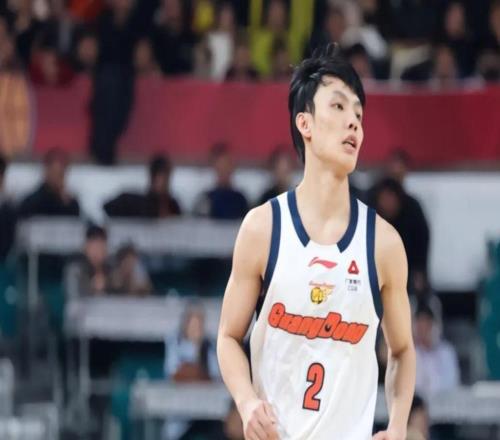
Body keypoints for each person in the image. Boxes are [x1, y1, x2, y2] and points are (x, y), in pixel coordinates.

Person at [217, 44, 415, 440]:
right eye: (338, 107)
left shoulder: (383, 244)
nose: (353, 122)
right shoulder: (263, 229)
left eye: (358, 114)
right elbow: (227, 337)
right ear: (304, 123)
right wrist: (246, 401)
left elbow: (402, 350)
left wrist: (397, 425)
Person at [104, 154, 181, 218]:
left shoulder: (173, 205)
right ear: (152, 178)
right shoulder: (135, 203)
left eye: (166, 178)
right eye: (159, 178)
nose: (163, 183)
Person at [414, 304, 459, 402]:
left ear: (433, 326)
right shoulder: (412, 354)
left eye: (426, 326)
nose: (423, 331)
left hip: (445, 404)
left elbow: (452, 384)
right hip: (418, 406)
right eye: (420, 327)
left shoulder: (447, 352)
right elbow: (414, 387)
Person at [18, 147, 80, 218]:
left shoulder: (71, 204)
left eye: (61, 174)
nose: (58, 179)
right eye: (55, 173)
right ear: (46, 171)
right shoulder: (30, 203)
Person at [194, 143, 248, 220]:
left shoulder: (240, 199)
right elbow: (199, 223)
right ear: (215, 167)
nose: (224, 171)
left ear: (232, 167)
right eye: (221, 166)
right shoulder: (206, 199)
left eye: (227, 165)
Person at [65, 224, 111, 298]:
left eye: (100, 247)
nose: (96, 252)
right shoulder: (76, 270)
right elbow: (73, 297)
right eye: (93, 247)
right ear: (85, 248)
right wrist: (91, 288)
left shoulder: (112, 270)